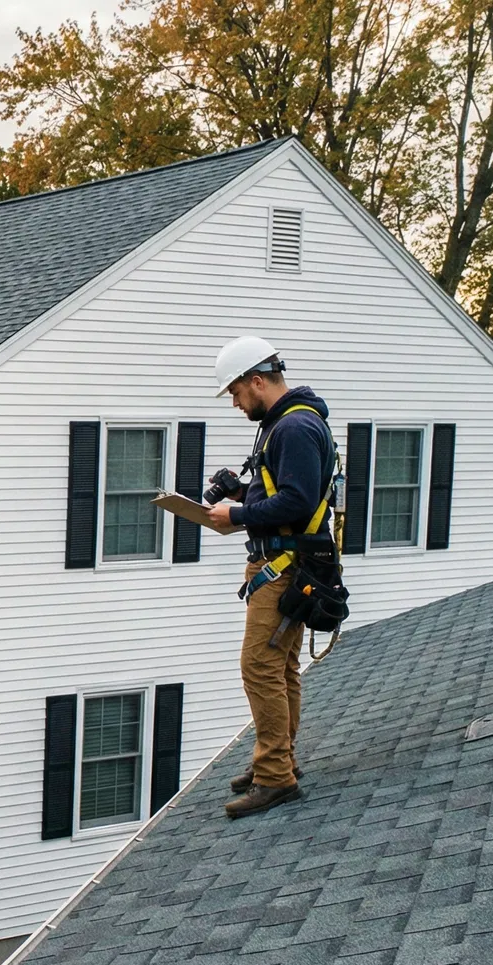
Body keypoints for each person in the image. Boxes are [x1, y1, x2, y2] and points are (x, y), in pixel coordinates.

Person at [205, 336, 334, 819]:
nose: (237, 405)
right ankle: (276, 762)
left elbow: (298, 503)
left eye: (237, 393)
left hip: (282, 565)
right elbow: (285, 494)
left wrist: (236, 513)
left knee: (259, 666)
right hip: (286, 560)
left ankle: (275, 776)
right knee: (281, 668)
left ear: (257, 380)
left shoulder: (294, 427)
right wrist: (242, 491)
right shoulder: (288, 424)